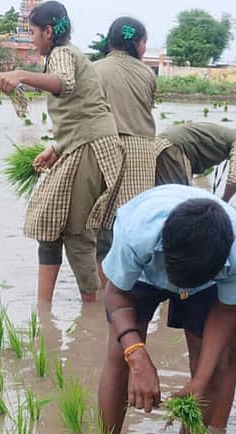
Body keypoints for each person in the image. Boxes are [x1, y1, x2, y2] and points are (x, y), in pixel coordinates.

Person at [97, 185, 236, 434]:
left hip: (206, 283)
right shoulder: (137, 232)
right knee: (119, 356)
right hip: (144, 273)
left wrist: (200, 381)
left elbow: (225, 310)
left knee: (214, 369)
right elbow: (116, 291)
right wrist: (136, 355)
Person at [0, 1, 123, 304]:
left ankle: (94, 308)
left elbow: (64, 85)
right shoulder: (69, 54)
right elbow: (81, 109)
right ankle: (48, 310)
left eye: (33, 32)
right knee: (51, 222)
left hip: (91, 147)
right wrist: (57, 148)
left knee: (78, 233)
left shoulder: (61, 54)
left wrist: (20, 74)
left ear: (48, 31)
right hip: (81, 144)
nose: (32, 39)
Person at [92, 17, 157, 286]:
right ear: (136, 43)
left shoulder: (94, 70)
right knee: (135, 226)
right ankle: (131, 287)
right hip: (143, 155)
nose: (145, 48)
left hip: (106, 150)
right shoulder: (147, 74)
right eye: (144, 42)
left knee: (102, 229)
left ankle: (104, 293)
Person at [154, 123, 236, 202]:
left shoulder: (222, 134)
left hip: (158, 144)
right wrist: (224, 202)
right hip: (174, 149)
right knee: (176, 199)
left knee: (159, 196)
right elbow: (234, 179)